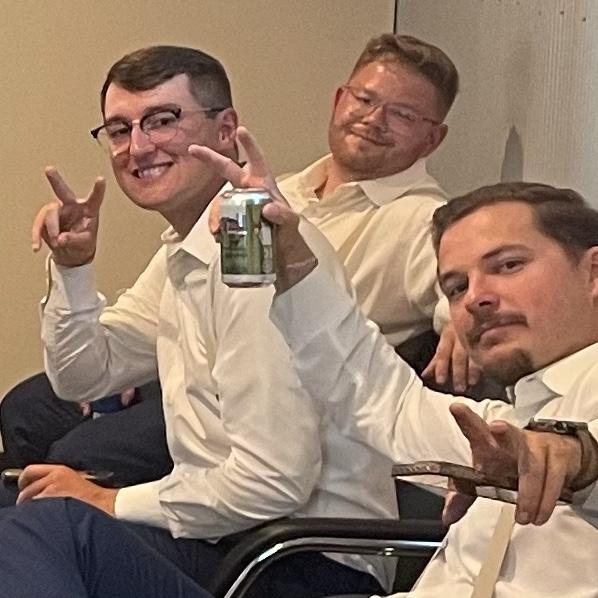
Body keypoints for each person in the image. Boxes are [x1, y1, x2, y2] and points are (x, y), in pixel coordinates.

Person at [0, 168, 595, 596]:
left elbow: (576, 450)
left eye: (508, 265)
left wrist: (578, 458)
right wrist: (292, 263)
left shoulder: (571, 415)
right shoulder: (503, 422)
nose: (477, 298)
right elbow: (374, 393)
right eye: (456, 287)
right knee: (38, 525)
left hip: (293, 552)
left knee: (56, 530)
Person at [0, 34, 474, 488]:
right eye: (364, 99)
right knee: (26, 410)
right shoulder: (271, 190)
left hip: (288, 411)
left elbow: (469, 290)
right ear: (338, 100)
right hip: (199, 376)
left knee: (74, 462)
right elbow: (92, 366)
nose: (373, 119)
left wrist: (457, 319)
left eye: (402, 114)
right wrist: (75, 268)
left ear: (433, 138)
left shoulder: (424, 220)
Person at [12, 44, 399, 598]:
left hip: (303, 561)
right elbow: (83, 376)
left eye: (162, 120)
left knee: (49, 533)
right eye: (119, 129)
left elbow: (273, 481)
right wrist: (74, 269)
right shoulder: (187, 247)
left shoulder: (255, 249)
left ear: (226, 130)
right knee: (20, 516)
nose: (137, 147)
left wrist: (109, 502)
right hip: (225, 535)